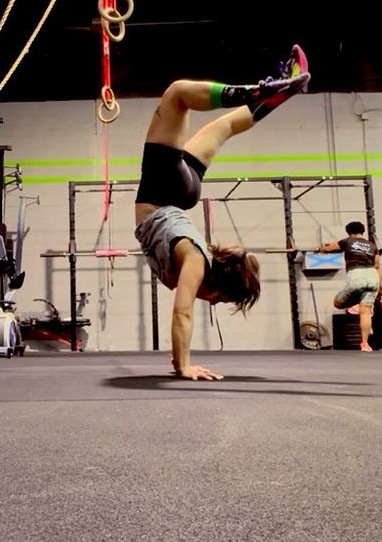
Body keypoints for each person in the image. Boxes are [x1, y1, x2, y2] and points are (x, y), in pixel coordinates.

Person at [134, 44, 310, 381]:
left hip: (178, 193)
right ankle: (256, 91)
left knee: (225, 126)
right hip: (163, 193)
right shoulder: (196, 261)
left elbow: (183, 312)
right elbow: (182, 313)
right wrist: (183, 366)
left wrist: (179, 359)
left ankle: (285, 91)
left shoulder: (195, 257)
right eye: (219, 300)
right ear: (218, 286)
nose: (212, 303)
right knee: (177, 94)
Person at [317, 222, 380, 352]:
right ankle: (365, 344)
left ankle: (357, 298)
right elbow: (377, 265)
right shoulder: (373, 245)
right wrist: (379, 284)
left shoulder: (347, 241)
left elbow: (329, 248)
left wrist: (319, 249)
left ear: (348, 232)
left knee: (338, 303)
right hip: (372, 277)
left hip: (357, 275)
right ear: (362, 231)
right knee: (366, 312)